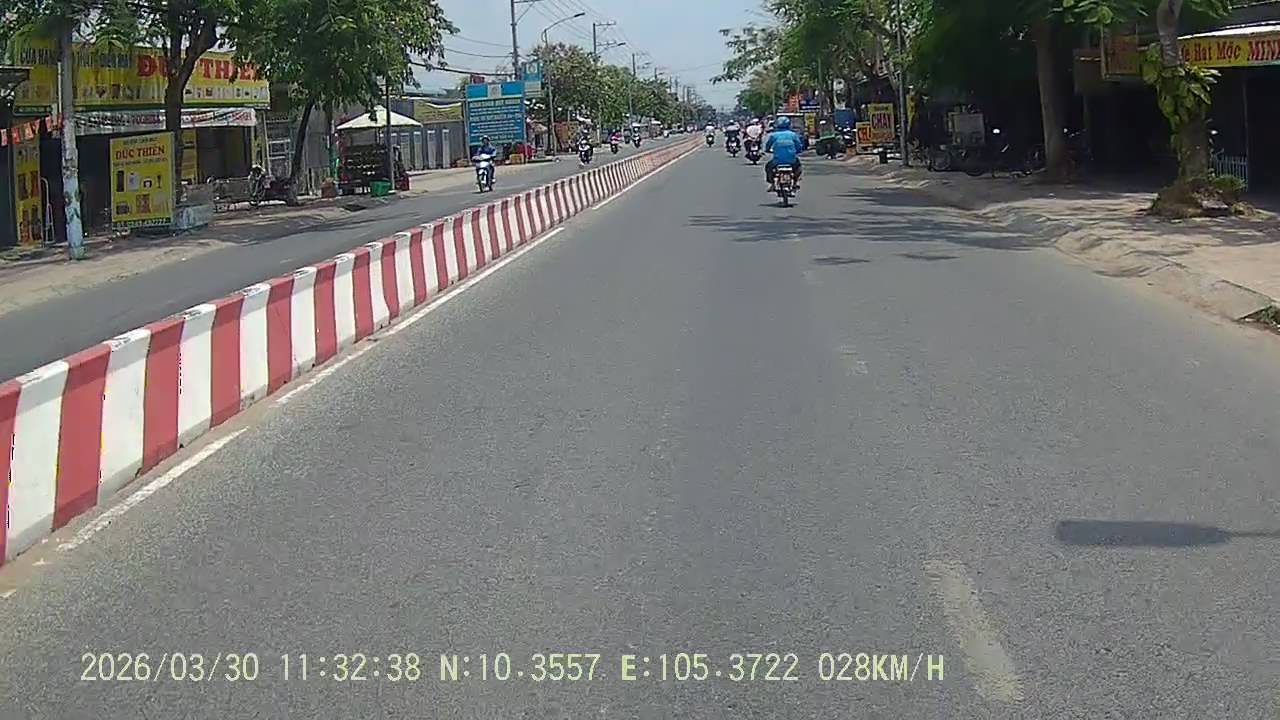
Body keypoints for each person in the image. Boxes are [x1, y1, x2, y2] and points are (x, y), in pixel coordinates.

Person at [764, 116, 806, 191]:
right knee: (798, 167)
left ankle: (772, 184)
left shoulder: (774, 135)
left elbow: (768, 145)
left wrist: (767, 150)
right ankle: (795, 182)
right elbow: (799, 146)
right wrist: (798, 151)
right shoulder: (793, 135)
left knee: (768, 167)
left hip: (777, 161)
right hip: (792, 160)